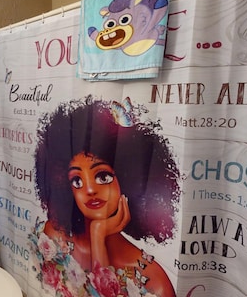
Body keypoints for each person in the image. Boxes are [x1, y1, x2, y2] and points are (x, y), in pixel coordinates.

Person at [32, 96, 181, 297]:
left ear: (130, 178)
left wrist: (99, 235)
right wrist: (97, 236)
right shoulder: (54, 241)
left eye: (102, 176)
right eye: (77, 181)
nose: (90, 190)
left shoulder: (154, 281)